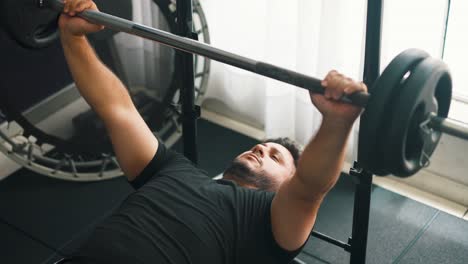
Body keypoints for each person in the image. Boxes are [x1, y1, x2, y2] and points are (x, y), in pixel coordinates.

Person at [57, 0, 367, 263]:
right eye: (263, 146)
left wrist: (337, 122)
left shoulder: (265, 224)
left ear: (285, 184)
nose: (261, 149)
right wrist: (73, 38)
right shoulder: (173, 170)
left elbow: (308, 188)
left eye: (275, 157)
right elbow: (117, 109)